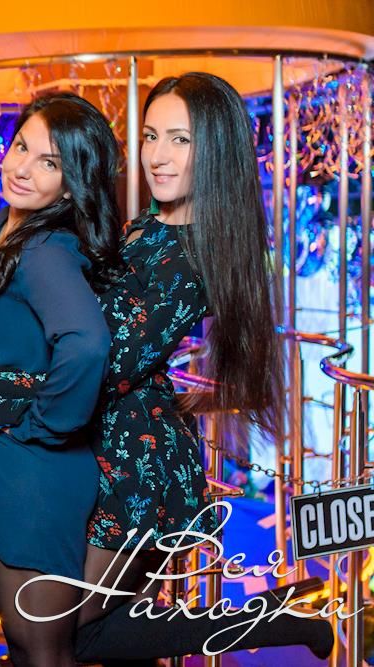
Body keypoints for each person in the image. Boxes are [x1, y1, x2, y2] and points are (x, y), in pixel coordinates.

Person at [74, 72, 332, 663]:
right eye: (150, 135)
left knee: (77, 632)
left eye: (180, 140)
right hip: (117, 443)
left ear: (214, 151)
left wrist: (3, 389)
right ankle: (277, 614)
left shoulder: (190, 253)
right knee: (117, 635)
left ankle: (273, 622)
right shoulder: (150, 225)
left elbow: (109, 363)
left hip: (135, 470)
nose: (157, 156)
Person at [0, 92, 122, 667]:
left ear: (72, 184)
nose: (22, 167)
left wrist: (40, 424)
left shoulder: (43, 249)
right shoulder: (6, 229)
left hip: (31, 474)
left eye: (48, 162)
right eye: (21, 147)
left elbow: (87, 343)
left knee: (40, 652)